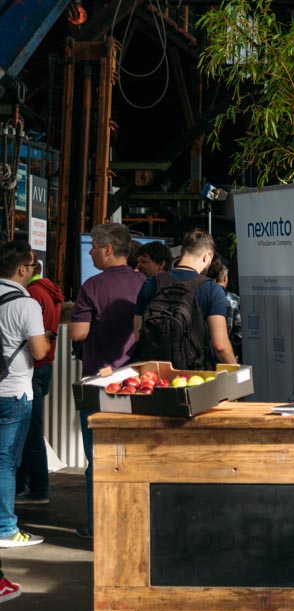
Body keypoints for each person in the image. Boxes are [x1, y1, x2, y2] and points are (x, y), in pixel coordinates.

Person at [69, 223, 147, 538]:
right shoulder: (145, 283)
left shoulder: (92, 286)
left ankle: (98, 525)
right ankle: (133, 522)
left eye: (94, 247)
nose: (90, 252)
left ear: (108, 249)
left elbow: (78, 333)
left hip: (98, 385)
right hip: (139, 383)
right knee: (133, 455)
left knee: (98, 456)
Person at [0, 240, 49, 549]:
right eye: (33, 266)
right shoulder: (26, 304)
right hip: (14, 392)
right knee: (5, 461)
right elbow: (40, 351)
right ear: (21, 269)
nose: (34, 271)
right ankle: (5, 528)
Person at [133, 228, 237, 368]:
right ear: (207, 256)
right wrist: (235, 370)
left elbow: (138, 334)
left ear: (181, 252)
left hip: (156, 372)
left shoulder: (151, 283)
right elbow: (220, 346)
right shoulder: (212, 289)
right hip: (195, 374)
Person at [14, 262, 64, 505]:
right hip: (46, 367)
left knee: (31, 432)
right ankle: (22, 485)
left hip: (34, 367)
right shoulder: (50, 291)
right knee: (29, 430)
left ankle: (39, 489)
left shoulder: (32, 294)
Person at [206, 256, 241, 363]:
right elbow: (239, 334)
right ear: (225, 278)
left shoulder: (202, 294)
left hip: (204, 358)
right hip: (227, 358)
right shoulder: (233, 300)